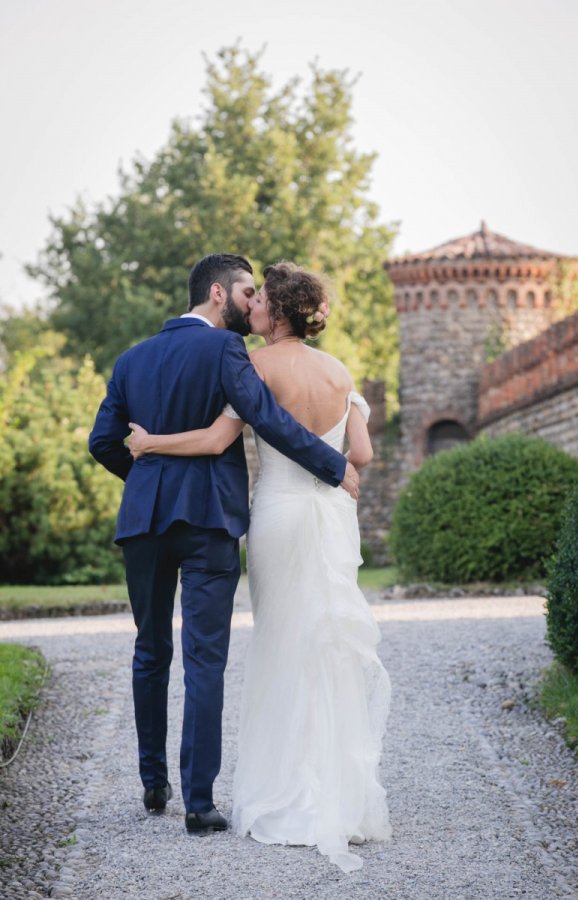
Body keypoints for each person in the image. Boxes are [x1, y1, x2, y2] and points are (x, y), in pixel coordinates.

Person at [128, 262, 391, 871]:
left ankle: (278, 789)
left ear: (276, 312)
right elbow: (363, 453)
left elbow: (218, 440)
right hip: (328, 515)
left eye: (261, 299)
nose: (253, 306)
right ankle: (336, 791)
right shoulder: (340, 370)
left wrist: (148, 446)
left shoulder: (254, 365)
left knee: (279, 642)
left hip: (277, 511)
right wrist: (333, 469)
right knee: (326, 641)